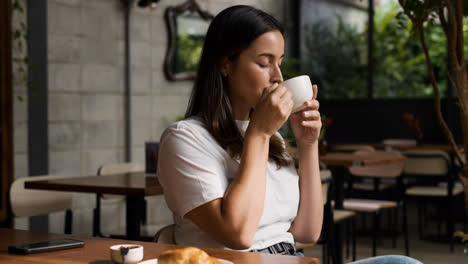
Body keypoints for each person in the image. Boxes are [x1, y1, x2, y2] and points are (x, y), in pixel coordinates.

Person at [158, 5, 422, 263]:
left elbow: (307, 232)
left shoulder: (273, 138)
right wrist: (258, 134)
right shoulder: (185, 139)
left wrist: (307, 145)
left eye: (280, 63)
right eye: (264, 63)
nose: (278, 77)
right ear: (225, 64)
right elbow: (237, 235)